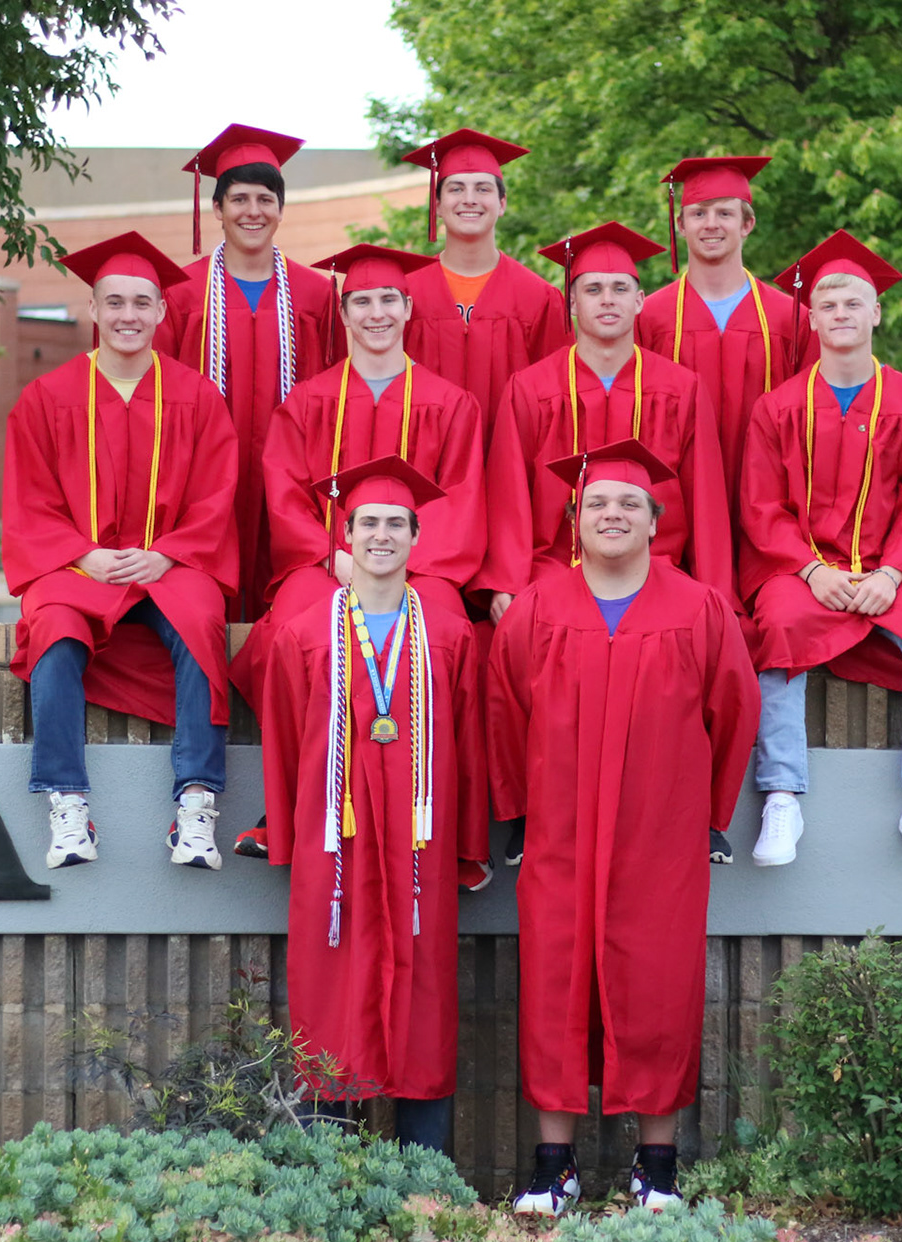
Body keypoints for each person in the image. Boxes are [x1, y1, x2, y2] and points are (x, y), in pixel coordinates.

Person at [487, 438, 759, 1214]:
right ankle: (553, 1163)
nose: (613, 514)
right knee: (553, 987)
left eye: (628, 504)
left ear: (655, 520)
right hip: (561, 833)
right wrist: (522, 812)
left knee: (660, 985)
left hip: (660, 834)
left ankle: (657, 1165)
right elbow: (504, 712)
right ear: (575, 520)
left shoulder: (699, 608)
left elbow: (732, 711)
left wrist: (706, 816)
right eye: (598, 503)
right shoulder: (540, 605)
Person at [260, 456, 491, 1152]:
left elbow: (473, 750)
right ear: (347, 537)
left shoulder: (450, 635)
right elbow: (283, 738)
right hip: (337, 850)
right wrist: (292, 839)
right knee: (332, 999)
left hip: (418, 852)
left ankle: (427, 1187)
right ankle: (327, 1182)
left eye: (396, 523)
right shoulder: (303, 633)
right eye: (369, 524)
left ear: (417, 539)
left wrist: (467, 849)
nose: (382, 535)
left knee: (423, 1007)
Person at [229, 242, 486, 859]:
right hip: (326, 564)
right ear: (343, 316)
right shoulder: (307, 403)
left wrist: (396, 563)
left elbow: (460, 499)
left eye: (387, 301)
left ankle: (445, 826)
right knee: (291, 630)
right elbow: (285, 495)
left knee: (448, 629)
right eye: (362, 302)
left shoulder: (451, 405)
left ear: (408, 309)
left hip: (419, 567)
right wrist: (334, 555)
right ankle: (289, 805)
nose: (375, 313)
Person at [2, 232, 240, 873]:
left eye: (141, 302)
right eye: (114, 302)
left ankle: (196, 801)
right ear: (93, 309)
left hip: (168, 564)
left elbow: (216, 497)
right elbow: (30, 501)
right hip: (79, 567)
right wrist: (82, 555)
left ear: (163, 311)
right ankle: (66, 799)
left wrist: (168, 554)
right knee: (51, 627)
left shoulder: (197, 398)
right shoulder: (46, 398)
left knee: (200, 622)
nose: (128, 315)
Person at [740, 230, 902, 872]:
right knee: (778, 624)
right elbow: (761, 506)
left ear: (876, 313)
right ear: (811, 319)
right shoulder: (778, 408)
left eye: (853, 303)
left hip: (894, 569)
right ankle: (782, 793)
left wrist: (892, 575)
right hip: (800, 568)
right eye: (828, 305)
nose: (841, 314)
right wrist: (811, 569)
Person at [478, 222, 732, 622]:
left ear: (640, 301)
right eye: (593, 289)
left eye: (620, 289)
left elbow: (705, 496)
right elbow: (509, 492)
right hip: (556, 569)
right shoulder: (530, 388)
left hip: (656, 568)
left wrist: (716, 590)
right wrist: (507, 581)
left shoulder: (680, 389)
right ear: (573, 303)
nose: (607, 300)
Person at [157, 123, 337, 621]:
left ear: (281, 209)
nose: (252, 212)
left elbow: (335, 387)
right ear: (216, 209)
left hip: (295, 474)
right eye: (238, 199)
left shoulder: (316, 293)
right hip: (202, 475)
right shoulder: (181, 294)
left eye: (265, 199)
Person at [635, 156, 806, 520]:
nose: (711, 224)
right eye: (698, 214)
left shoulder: (789, 318)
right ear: (680, 225)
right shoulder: (648, 318)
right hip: (677, 504)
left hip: (770, 500)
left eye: (725, 214)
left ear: (748, 224)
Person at [400, 129, 566, 436]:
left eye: (483, 189)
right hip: (423, 463)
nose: (470, 199)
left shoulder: (539, 297)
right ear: (437, 204)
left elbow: (556, 399)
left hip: (512, 464)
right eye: (456, 188)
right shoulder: (405, 292)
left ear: (502, 203)